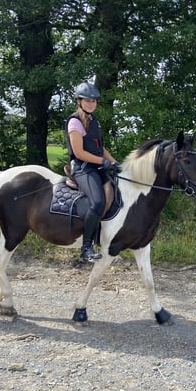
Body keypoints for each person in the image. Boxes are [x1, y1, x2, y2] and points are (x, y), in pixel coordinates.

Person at [65, 82, 120, 262]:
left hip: (97, 166)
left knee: (118, 192)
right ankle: (86, 249)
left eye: (94, 101)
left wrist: (114, 162)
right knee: (97, 202)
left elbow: (99, 147)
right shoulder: (75, 121)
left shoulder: (94, 121)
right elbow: (79, 152)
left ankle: (106, 239)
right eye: (88, 101)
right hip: (82, 168)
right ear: (79, 101)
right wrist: (102, 162)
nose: (91, 104)